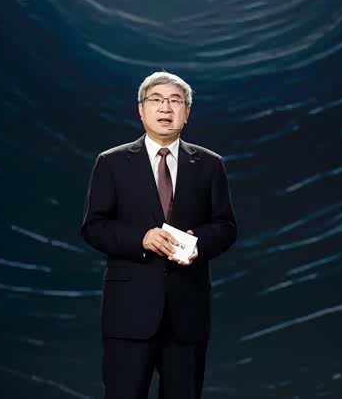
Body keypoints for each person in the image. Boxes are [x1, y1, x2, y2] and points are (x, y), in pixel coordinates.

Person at [80, 71, 237, 399]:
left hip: (188, 313)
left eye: (175, 101)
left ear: (187, 112)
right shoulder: (111, 163)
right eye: (156, 100)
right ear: (141, 109)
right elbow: (94, 227)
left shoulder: (209, 165)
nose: (166, 108)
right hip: (128, 313)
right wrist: (141, 239)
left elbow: (225, 227)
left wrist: (199, 245)